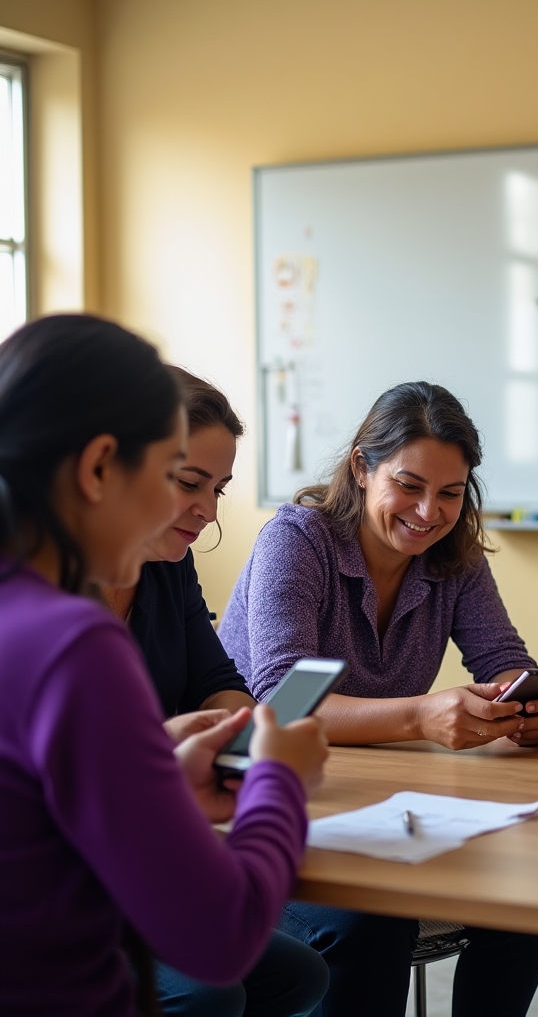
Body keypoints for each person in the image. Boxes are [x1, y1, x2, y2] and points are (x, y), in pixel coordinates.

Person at [0, 314, 329, 1016]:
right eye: (167, 476)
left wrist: (156, 777)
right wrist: (279, 782)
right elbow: (220, 937)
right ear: (96, 468)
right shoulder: (74, 644)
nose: (196, 513)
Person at [220, 381, 538, 1017]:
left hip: (377, 803)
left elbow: (500, 655)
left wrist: (524, 704)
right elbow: (280, 701)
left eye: (451, 493)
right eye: (409, 485)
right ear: (360, 466)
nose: (429, 511)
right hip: (263, 802)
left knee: (528, 892)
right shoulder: (296, 541)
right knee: (369, 927)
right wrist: (421, 715)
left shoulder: (451, 554)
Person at [100, 367, 328, 1017]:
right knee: (214, 988)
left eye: (219, 489)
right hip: (81, 884)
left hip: (131, 857)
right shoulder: (50, 610)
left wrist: (238, 733)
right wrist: (272, 775)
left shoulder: (167, 568)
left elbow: (218, 683)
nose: (207, 510)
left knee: (299, 974)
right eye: (189, 483)